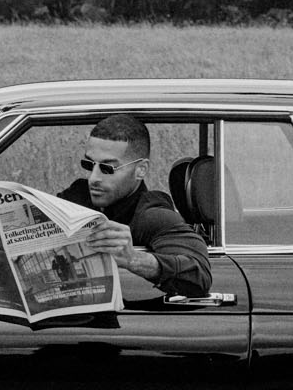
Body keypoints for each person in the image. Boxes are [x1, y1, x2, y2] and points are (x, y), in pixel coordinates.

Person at [54, 114, 211, 298]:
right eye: (89, 164)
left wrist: (133, 259)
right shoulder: (76, 196)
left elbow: (200, 274)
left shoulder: (152, 215)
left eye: (107, 168)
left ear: (141, 170)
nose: (93, 178)